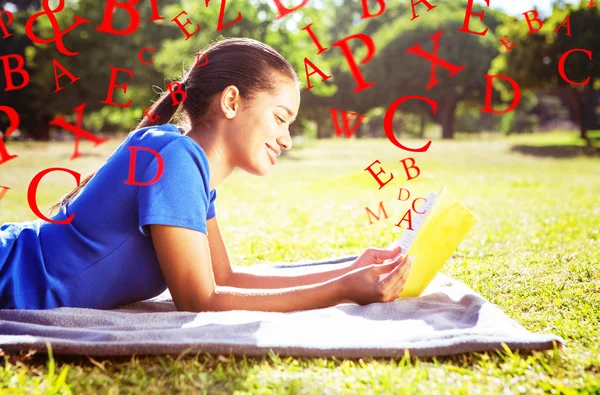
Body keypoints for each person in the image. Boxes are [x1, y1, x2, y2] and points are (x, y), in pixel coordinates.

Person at [0, 37, 413, 312]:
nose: (286, 140)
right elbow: (200, 299)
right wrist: (342, 291)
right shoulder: (176, 156)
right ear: (231, 101)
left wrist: (348, 271)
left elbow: (225, 278)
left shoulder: (188, 167)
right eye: (280, 118)